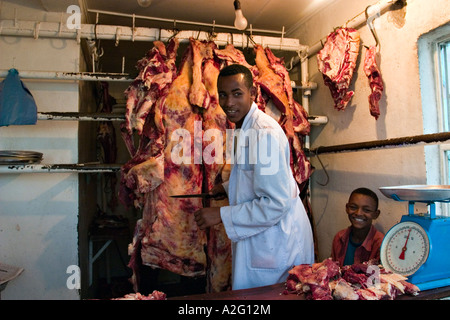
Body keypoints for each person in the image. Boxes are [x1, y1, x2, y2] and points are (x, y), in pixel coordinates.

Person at [194, 64, 314, 290]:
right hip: (267, 240)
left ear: (253, 93)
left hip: (276, 242)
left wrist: (220, 214)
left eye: (237, 94)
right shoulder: (246, 128)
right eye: (223, 95)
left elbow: (275, 202)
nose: (229, 103)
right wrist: (229, 188)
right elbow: (258, 178)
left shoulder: (263, 133)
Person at [331, 187, 384, 266]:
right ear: (347, 208)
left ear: (376, 214)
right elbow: (332, 270)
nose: (358, 213)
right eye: (353, 207)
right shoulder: (339, 238)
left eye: (366, 210)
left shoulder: (381, 244)